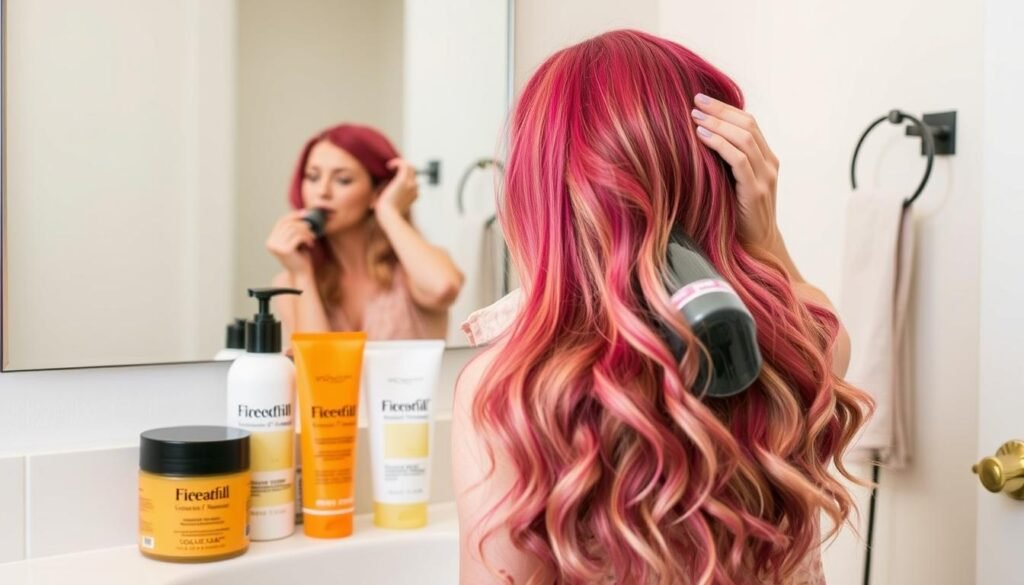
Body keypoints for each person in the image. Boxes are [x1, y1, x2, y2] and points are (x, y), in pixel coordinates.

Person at [452, 30, 873, 584]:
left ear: (542, 198)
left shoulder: (508, 391)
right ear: (724, 180)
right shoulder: (789, 345)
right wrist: (766, 241)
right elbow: (825, 329)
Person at [267, 124, 463, 345]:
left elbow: (443, 288)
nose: (322, 191)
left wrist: (388, 211)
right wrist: (302, 274)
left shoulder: (413, 272)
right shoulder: (291, 282)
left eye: (343, 180)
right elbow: (317, 366)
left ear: (378, 191)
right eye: (313, 177)